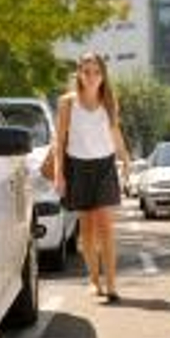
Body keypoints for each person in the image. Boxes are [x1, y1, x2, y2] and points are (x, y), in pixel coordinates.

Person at [52, 52, 131, 302]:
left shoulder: (109, 100)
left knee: (105, 226)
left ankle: (112, 285)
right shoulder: (67, 103)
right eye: (86, 71)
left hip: (104, 166)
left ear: (103, 74)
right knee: (86, 229)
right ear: (79, 74)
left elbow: (115, 131)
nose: (92, 76)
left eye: (96, 71)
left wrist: (126, 159)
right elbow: (60, 140)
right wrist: (58, 174)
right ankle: (94, 279)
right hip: (78, 167)